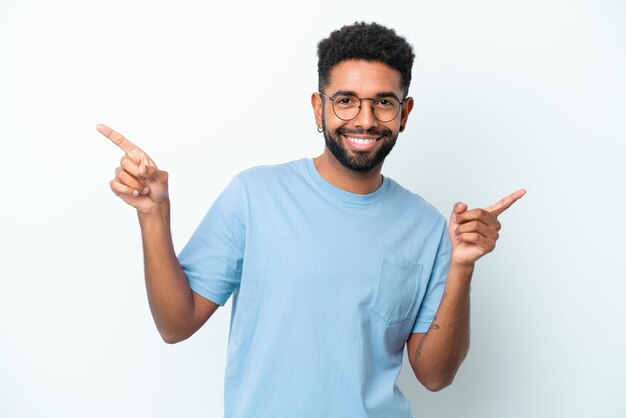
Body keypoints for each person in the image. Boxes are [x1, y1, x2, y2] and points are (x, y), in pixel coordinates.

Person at [98, 22, 525, 418]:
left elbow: (435, 376)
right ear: (318, 108)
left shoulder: (430, 227)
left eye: (384, 103)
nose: (365, 119)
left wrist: (463, 266)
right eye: (345, 101)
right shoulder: (254, 196)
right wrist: (154, 215)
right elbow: (176, 324)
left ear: (405, 113)